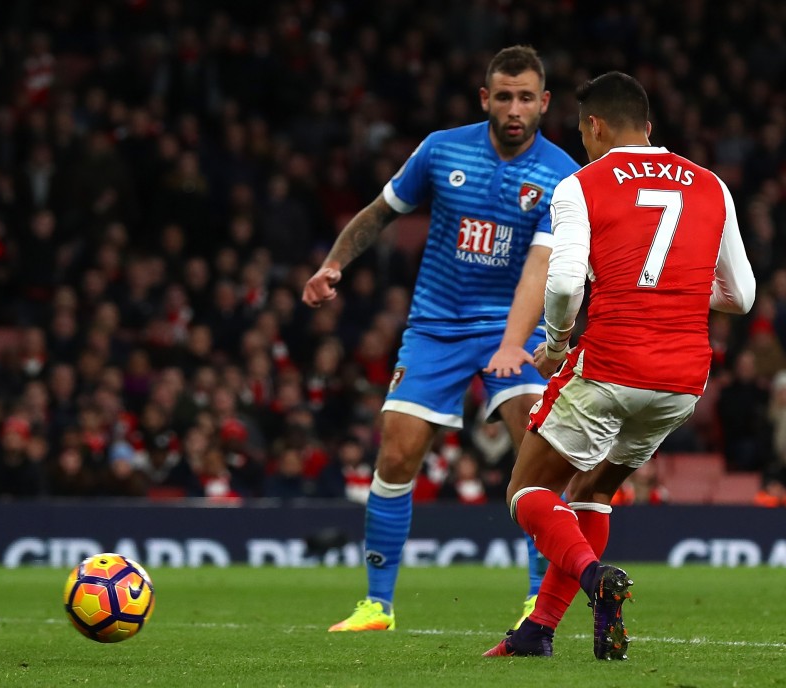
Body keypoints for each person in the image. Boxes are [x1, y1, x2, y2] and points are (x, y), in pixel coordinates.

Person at [302, 45, 579, 632]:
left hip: (515, 329)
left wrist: (515, 341)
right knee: (397, 450)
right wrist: (334, 265)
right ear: (485, 98)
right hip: (436, 326)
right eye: (503, 96)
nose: (513, 108)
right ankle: (377, 604)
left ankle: (537, 599)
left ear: (544, 103)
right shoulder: (442, 148)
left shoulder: (561, 176)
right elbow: (381, 211)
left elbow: (542, 266)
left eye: (525, 97)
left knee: (539, 451)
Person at [483, 71, 756, 660]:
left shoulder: (581, 184)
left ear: (594, 125)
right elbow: (743, 296)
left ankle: (592, 575)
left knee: (527, 488)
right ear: (650, 128)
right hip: (682, 382)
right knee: (593, 495)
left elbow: (561, 282)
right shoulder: (711, 185)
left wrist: (556, 342)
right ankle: (538, 632)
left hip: (612, 364)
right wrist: (677, 290)